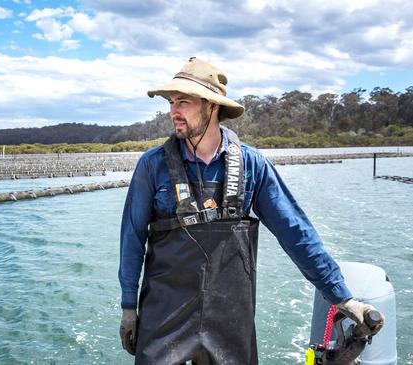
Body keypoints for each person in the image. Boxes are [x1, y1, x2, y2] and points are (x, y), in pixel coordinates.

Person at [118, 57, 381, 364]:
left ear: (212, 107)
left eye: (184, 102)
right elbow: (132, 240)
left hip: (229, 318)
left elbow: (295, 232)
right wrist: (128, 308)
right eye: (172, 102)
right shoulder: (152, 166)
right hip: (164, 314)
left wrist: (342, 297)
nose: (174, 111)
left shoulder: (252, 165)